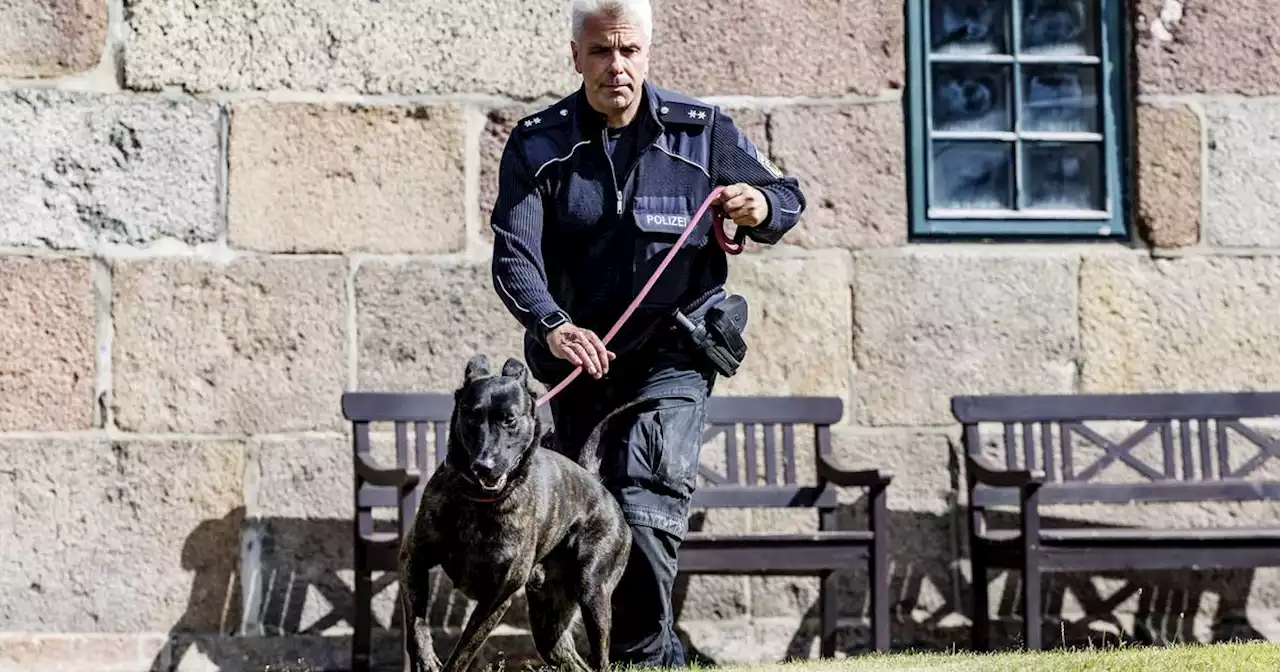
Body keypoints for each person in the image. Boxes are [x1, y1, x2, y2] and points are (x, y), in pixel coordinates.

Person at [488, 0, 806, 666]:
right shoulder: (538, 144)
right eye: (601, 52)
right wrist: (553, 326)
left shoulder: (701, 134)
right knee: (570, 527)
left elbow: (785, 197)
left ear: (647, 54)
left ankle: (641, 658)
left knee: (645, 503)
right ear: (577, 57)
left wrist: (759, 204)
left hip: (671, 357)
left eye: (629, 51)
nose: (617, 67)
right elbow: (515, 256)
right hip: (573, 364)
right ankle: (628, 656)